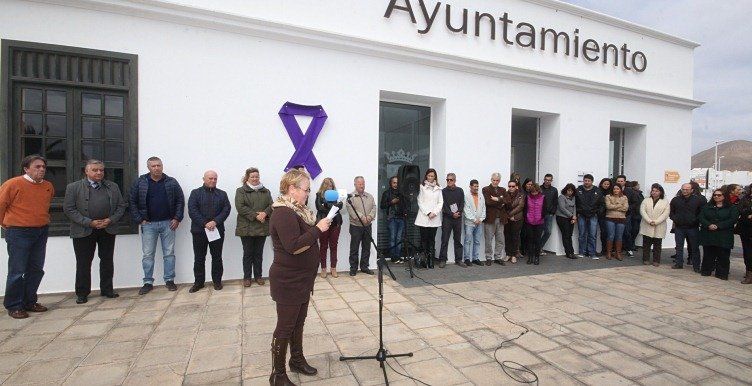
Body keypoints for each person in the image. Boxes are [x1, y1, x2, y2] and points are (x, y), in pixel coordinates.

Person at [268, 169, 331, 384]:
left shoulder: (298, 211)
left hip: (302, 279)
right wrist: (318, 229)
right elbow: (293, 245)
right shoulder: (283, 212)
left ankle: (296, 360)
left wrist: (317, 228)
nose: (308, 194)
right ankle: (277, 375)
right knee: (285, 326)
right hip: (288, 280)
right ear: (292, 188)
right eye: (306, 190)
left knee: (299, 322)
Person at [63, 159, 127, 304]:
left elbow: (121, 206)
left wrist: (110, 220)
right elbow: (69, 209)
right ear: (86, 171)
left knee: (107, 260)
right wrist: (89, 222)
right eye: (95, 170)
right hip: (83, 230)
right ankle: (82, 293)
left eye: (101, 170)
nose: (99, 172)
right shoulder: (73, 187)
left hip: (107, 228)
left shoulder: (113, 186)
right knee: (84, 262)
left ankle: (107, 289)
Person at [0, 155, 54, 319]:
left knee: (36, 269)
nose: (41, 169)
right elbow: (1, 205)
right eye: (37, 166)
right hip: (18, 232)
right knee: (17, 270)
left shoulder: (48, 186)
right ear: (26, 169)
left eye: (43, 167)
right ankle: (14, 305)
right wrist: (6, 224)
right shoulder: (13, 184)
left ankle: (30, 301)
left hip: (40, 231)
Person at [129, 156, 185, 295]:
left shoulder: (171, 182)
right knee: (148, 254)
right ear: (148, 167)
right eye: (153, 166)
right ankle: (148, 282)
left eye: (159, 165)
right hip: (148, 224)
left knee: (169, 253)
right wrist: (139, 219)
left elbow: (180, 200)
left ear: (162, 166)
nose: (156, 168)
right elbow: (132, 202)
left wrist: (177, 218)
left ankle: (169, 280)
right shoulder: (141, 182)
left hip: (168, 223)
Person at [188, 170, 231, 292]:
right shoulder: (195, 193)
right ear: (204, 179)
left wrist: (215, 222)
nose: (213, 181)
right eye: (210, 178)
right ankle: (199, 283)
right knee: (199, 258)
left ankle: (217, 282)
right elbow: (192, 210)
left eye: (215, 179)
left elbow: (226, 209)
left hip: (217, 230)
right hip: (199, 231)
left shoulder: (222, 194)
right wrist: (205, 223)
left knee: (217, 257)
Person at [236, 167, 273, 287]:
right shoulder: (241, 191)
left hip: (262, 227)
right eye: (252, 176)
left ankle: (258, 276)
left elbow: (271, 205)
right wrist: (256, 215)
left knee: (258, 254)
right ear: (247, 178)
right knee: (248, 254)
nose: (255, 178)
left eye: (257, 176)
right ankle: (247, 277)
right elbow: (240, 207)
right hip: (246, 228)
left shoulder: (266, 191)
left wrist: (265, 213)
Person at [699, 189, 739, 280]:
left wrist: (718, 226)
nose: (716, 197)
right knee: (708, 254)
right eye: (715, 195)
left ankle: (722, 274)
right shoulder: (707, 206)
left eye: (719, 195)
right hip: (709, 234)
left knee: (723, 255)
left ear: (724, 196)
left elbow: (733, 219)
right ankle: (706, 271)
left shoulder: (731, 208)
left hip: (724, 235)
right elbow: (701, 217)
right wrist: (708, 225)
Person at [669, 183, 706, 272]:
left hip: (693, 227)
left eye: (687, 189)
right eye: (683, 189)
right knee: (679, 246)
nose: (685, 191)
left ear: (692, 190)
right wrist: (675, 219)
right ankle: (679, 263)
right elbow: (671, 212)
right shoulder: (675, 200)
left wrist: (695, 220)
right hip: (679, 227)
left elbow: (701, 212)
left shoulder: (698, 200)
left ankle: (696, 266)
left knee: (694, 247)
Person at [346, 176, 376, 276]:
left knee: (366, 247)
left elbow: (374, 207)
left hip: (368, 225)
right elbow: (351, 210)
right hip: (356, 226)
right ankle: (353, 268)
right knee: (354, 247)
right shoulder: (350, 197)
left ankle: (364, 267)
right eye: (359, 183)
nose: (362, 185)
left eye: (363, 183)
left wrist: (370, 216)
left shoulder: (370, 196)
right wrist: (363, 217)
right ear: (355, 184)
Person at [415, 168, 443, 269]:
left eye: (432, 176)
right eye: (429, 176)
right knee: (424, 239)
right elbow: (420, 201)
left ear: (435, 177)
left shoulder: (439, 188)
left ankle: (431, 261)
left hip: (434, 218)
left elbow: (440, 202)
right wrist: (428, 212)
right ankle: (423, 260)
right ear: (426, 176)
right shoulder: (422, 187)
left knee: (432, 239)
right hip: (424, 217)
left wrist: (434, 212)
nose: (430, 178)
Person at [316, 177, 343, 277]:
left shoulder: (337, 195)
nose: (329, 187)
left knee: (333, 246)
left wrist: (328, 205)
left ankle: (333, 268)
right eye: (327, 185)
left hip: (335, 223)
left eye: (331, 185)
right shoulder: (319, 195)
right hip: (324, 223)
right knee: (323, 246)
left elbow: (340, 206)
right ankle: (323, 269)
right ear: (323, 185)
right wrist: (331, 206)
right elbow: (319, 207)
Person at [639, 184, 670, 266]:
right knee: (646, 244)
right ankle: (646, 259)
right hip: (647, 224)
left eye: (656, 191)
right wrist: (649, 221)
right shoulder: (646, 200)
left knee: (657, 244)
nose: (654, 192)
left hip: (659, 225)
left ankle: (656, 260)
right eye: (653, 190)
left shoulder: (665, 201)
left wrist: (656, 222)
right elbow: (642, 211)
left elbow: (666, 214)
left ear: (660, 192)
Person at [482, 173, 507, 265]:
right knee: (488, 239)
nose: (495, 182)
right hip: (490, 218)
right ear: (491, 179)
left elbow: (507, 201)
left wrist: (497, 199)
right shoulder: (486, 189)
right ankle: (488, 257)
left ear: (499, 181)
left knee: (500, 239)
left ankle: (498, 257)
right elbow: (488, 202)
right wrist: (501, 200)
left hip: (501, 219)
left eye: (497, 180)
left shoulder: (503, 190)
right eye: (494, 180)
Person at [439, 173, 464, 268]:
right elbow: (444, 205)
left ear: (455, 180)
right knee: (444, 240)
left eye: (451, 180)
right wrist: (451, 214)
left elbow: (462, 203)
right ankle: (442, 259)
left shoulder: (460, 190)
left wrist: (458, 213)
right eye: (447, 180)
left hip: (458, 218)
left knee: (457, 239)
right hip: (447, 218)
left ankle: (458, 260)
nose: (449, 181)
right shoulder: (443, 191)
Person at [576, 174, 601, 259]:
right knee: (582, 234)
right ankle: (581, 252)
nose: (587, 182)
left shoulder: (597, 190)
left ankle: (592, 253)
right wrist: (578, 212)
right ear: (583, 181)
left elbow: (601, 203)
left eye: (588, 181)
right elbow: (576, 202)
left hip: (593, 215)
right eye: (585, 180)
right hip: (581, 215)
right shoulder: (578, 189)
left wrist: (597, 212)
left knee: (592, 235)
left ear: (592, 181)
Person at [463, 179, 486, 267]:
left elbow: (484, 208)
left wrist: (481, 218)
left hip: (479, 222)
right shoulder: (466, 196)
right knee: (468, 241)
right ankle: (467, 259)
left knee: (477, 241)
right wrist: (474, 219)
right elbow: (466, 210)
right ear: (470, 186)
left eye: (477, 186)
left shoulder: (481, 196)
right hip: (470, 223)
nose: (476, 188)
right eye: (474, 186)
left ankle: (475, 258)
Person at [615, 175, 639, 257]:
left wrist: (628, 209)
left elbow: (635, 203)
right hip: (614, 214)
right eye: (618, 181)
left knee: (627, 231)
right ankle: (618, 250)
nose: (620, 182)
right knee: (616, 232)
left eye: (621, 181)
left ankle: (629, 249)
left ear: (625, 182)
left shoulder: (630, 191)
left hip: (626, 215)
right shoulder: (613, 189)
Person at [604, 184, 629, 260]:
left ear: (620, 190)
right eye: (614, 189)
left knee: (619, 236)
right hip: (610, 218)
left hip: (621, 219)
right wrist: (619, 205)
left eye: (617, 189)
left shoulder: (624, 197)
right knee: (611, 236)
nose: (616, 190)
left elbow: (625, 208)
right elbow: (608, 206)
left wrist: (614, 206)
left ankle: (618, 253)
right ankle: (609, 252)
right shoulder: (608, 196)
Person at [504, 180, 525, 263]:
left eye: (513, 186)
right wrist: (509, 216)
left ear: (516, 186)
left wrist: (511, 214)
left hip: (517, 218)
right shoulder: (505, 194)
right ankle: (508, 254)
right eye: (509, 186)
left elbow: (520, 206)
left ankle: (514, 255)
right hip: (507, 219)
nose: (511, 188)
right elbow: (504, 206)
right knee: (507, 236)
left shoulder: (521, 195)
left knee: (515, 237)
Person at [524, 183, 545, 265]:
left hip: (539, 222)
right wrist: (526, 217)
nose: (534, 193)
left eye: (535, 192)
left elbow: (544, 208)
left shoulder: (543, 197)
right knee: (530, 240)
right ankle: (530, 257)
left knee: (537, 240)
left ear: (538, 191)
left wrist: (542, 217)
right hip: (529, 221)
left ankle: (537, 257)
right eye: (532, 192)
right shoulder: (527, 197)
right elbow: (525, 208)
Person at [556, 183, 577, 259]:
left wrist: (574, 217)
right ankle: (568, 252)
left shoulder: (574, 198)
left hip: (571, 218)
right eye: (569, 190)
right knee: (566, 235)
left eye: (571, 191)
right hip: (562, 218)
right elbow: (562, 208)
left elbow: (575, 207)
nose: (570, 192)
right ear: (566, 190)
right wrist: (571, 216)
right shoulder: (561, 197)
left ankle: (572, 252)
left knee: (569, 235)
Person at [539, 174, 558, 254]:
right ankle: (537, 249)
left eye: (549, 180)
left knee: (548, 232)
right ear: (544, 179)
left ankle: (539, 247)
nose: (547, 181)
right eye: (546, 179)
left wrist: (552, 212)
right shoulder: (539, 188)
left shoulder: (554, 190)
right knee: (539, 232)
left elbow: (555, 202)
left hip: (549, 214)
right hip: (539, 214)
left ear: (551, 181)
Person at [738, 184, 752, 284]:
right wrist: (748, 213)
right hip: (746, 229)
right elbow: (740, 210)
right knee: (747, 252)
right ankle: (749, 274)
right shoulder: (745, 199)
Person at [595, 178, 612, 257]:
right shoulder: (597, 191)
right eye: (605, 184)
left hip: (610, 215)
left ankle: (610, 250)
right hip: (601, 215)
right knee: (603, 232)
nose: (606, 185)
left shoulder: (612, 192)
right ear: (601, 184)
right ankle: (603, 250)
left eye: (608, 184)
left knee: (610, 233)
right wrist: (599, 211)